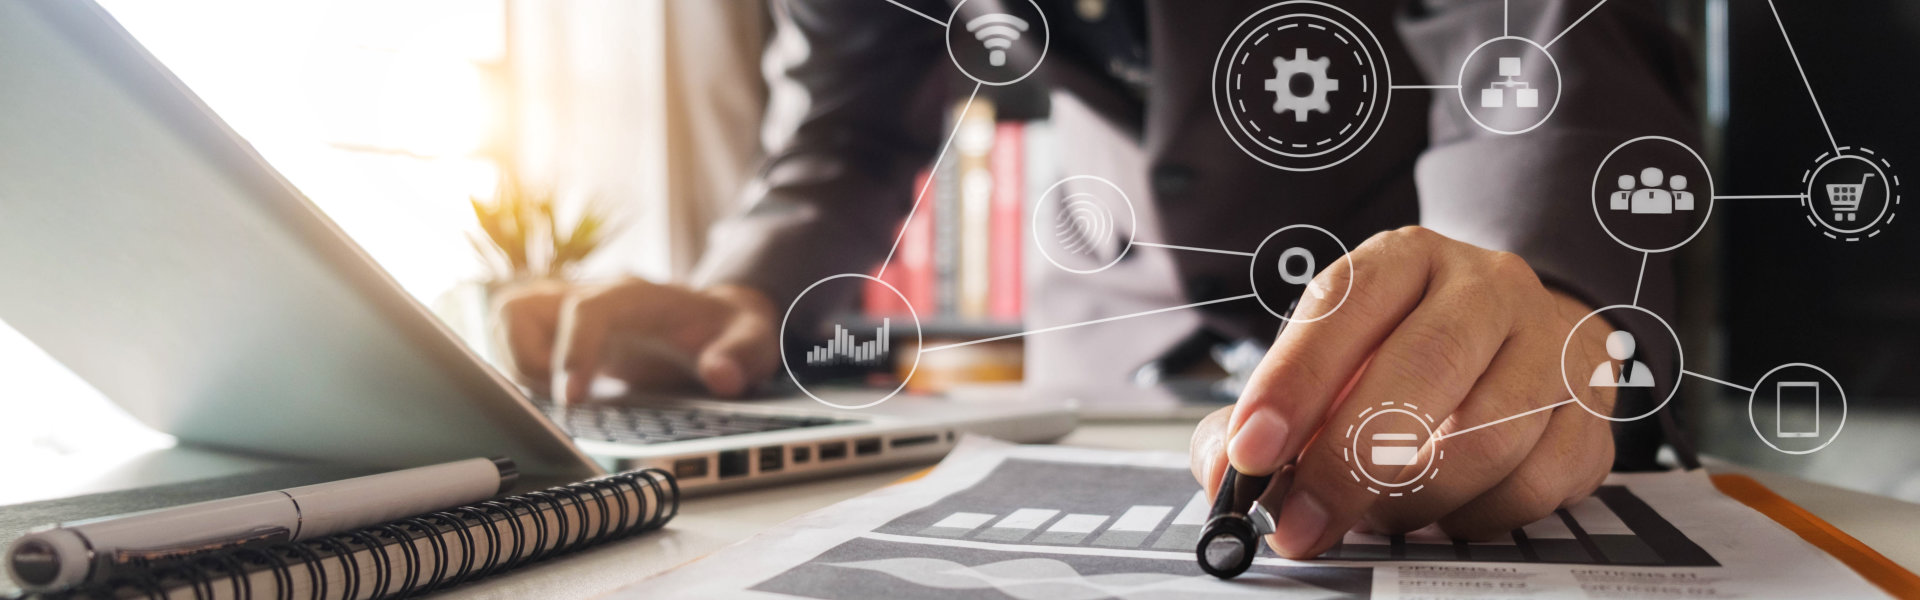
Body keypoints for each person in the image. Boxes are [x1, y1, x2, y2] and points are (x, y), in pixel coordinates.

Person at [495, 0, 1696, 559]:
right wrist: (753, 290)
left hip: (1427, 298)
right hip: (1132, 356)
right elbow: (849, 124)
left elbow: (1536, 40)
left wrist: (1542, 289)